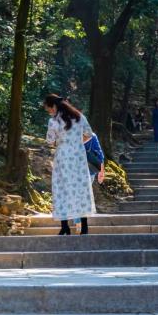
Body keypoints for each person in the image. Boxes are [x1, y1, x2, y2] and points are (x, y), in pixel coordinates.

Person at [44, 94, 96, 235]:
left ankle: (65, 226)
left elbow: (50, 141)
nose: (49, 111)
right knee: (80, 188)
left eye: (48, 108)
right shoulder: (79, 117)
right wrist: (78, 143)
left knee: (63, 189)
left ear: (53, 106)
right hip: (78, 156)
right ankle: (84, 226)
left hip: (63, 157)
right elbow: (89, 134)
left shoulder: (53, 121)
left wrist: (61, 142)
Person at [83, 131, 105, 235]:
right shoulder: (92, 135)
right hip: (90, 169)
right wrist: (102, 171)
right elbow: (100, 154)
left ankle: (79, 220)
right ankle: (82, 221)